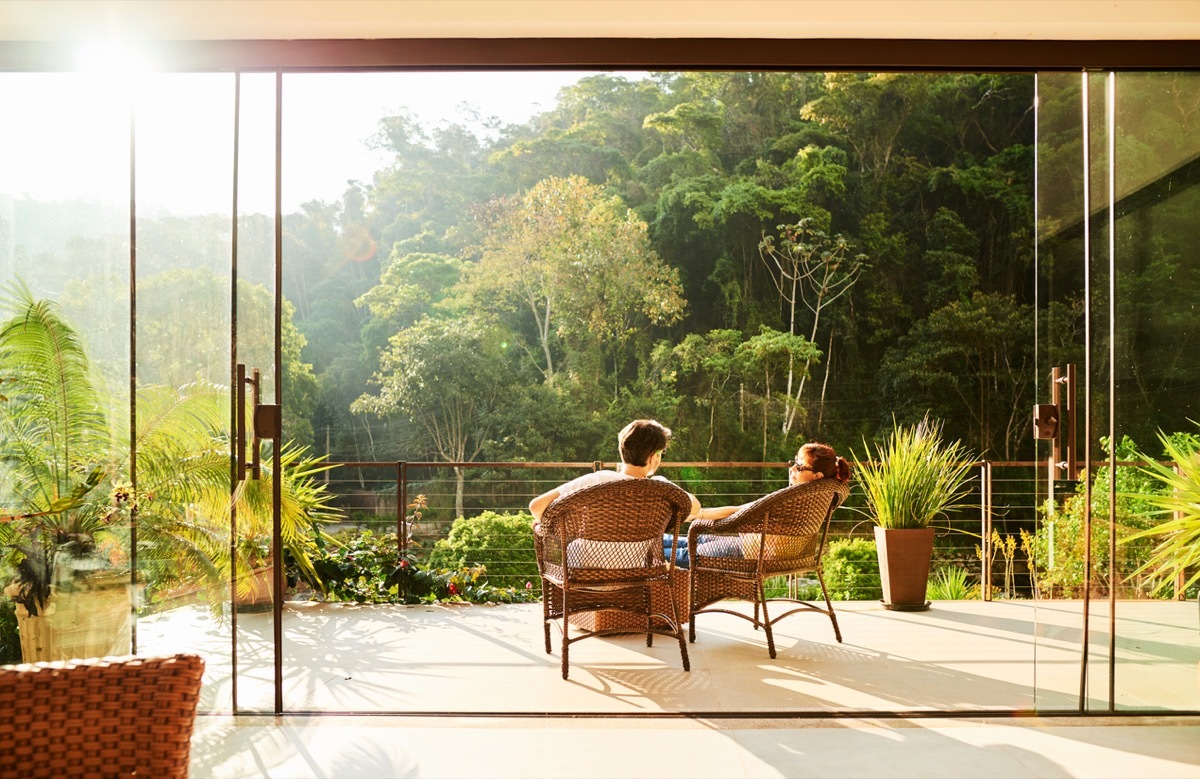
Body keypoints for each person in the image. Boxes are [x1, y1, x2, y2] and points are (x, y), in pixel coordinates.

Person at [666, 441, 852, 569]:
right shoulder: (818, 494)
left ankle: (641, 545)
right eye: (794, 463)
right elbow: (743, 510)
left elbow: (739, 511)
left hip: (755, 553)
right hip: (756, 546)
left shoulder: (791, 498)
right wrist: (695, 515)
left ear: (817, 476)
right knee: (689, 541)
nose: (793, 469)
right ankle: (647, 542)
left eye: (800, 467)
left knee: (681, 552)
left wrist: (697, 515)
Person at [529, 418, 701, 526]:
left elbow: (536, 507)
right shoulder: (661, 488)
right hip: (636, 571)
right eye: (661, 453)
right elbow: (694, 507)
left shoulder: (597, 480)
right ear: (652, 457)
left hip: (581, 571)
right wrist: (666, 485)